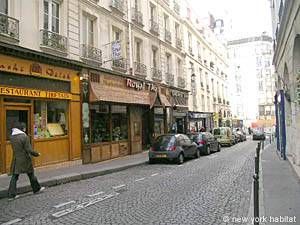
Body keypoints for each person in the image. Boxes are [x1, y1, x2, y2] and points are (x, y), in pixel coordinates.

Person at [8, 122, 45, 200]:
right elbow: (28, 149)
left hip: (16, 159)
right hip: (25, 159)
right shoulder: (24, 137)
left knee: (14, 177)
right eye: (24, 127)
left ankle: (11, 195)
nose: (25, 129)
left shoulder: (12, 137)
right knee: (31, 174)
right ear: (22, 128)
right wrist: (36, 154)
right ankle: (36, 189)